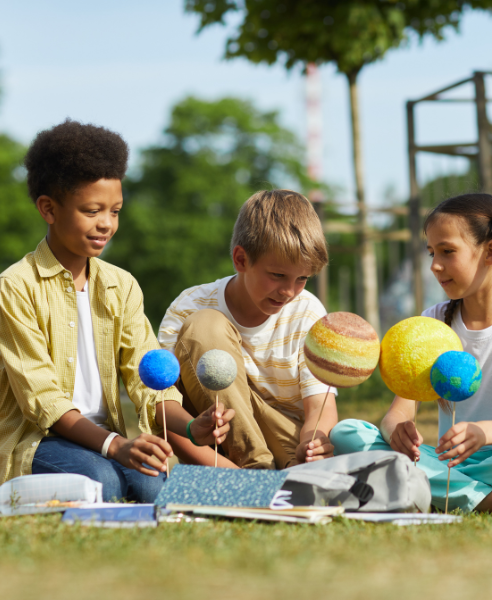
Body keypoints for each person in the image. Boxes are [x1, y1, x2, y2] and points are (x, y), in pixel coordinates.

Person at [0, 120, 232, 503]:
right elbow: (43, 401)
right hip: (39, 439)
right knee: (102, 481)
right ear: (48, 209)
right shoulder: (15, 287)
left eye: (115, 210)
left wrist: (193, 428)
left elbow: (148, 382)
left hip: (104, 438)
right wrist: (116, 446)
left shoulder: (121, 286)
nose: (106, 223)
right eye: (92, 210)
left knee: (151, 482)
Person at [331, 193, 492, 513]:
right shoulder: (431, 322)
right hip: (447, 461)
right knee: (346, 433)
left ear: (491, 252)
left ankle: (442, 488)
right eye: (431, 253)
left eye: (447, 251)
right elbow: (399, 412)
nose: (434, 265)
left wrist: (483, 433)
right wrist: (395, 430)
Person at [158, 189, 336, 470]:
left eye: (302, 278)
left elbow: (320, 407)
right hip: (219, 455)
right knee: (204, 326)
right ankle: (256, 473)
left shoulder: (308, 313)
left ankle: (280, 478)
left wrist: (314, 443)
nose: (289, 291)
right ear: (241, 259)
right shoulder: (188, 307)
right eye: (277, 275)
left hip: (287, 447)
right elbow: (163, 411)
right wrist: (231, 474)